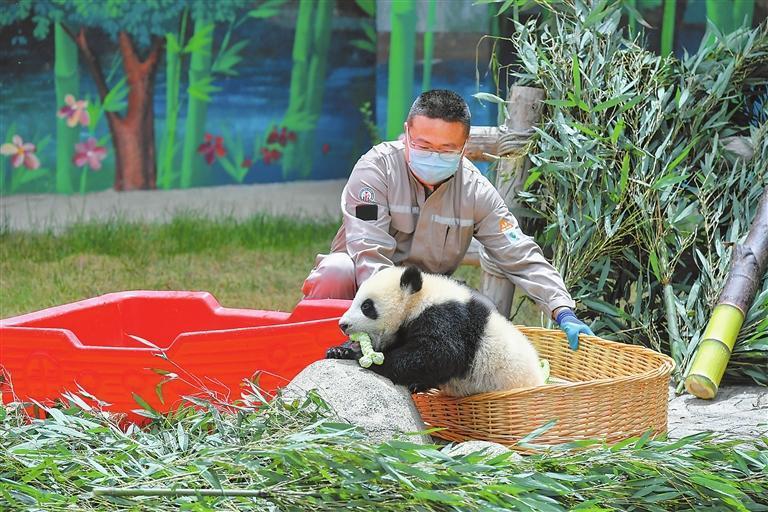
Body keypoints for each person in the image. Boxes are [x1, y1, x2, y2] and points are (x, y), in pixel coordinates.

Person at [302, 89, 593, 349]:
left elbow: (519, 253)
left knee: (484, 313)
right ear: (406, 133)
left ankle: (445, 400)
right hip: (363, 291)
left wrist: (562, 310)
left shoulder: (475, 192)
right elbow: (368, 253)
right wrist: (395, 316)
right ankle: (310, 358)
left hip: (426, 296)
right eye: (424, 145)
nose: (433, 156)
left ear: (464, 148)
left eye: (446, 149)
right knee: (336, 271)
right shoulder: (375, 172)